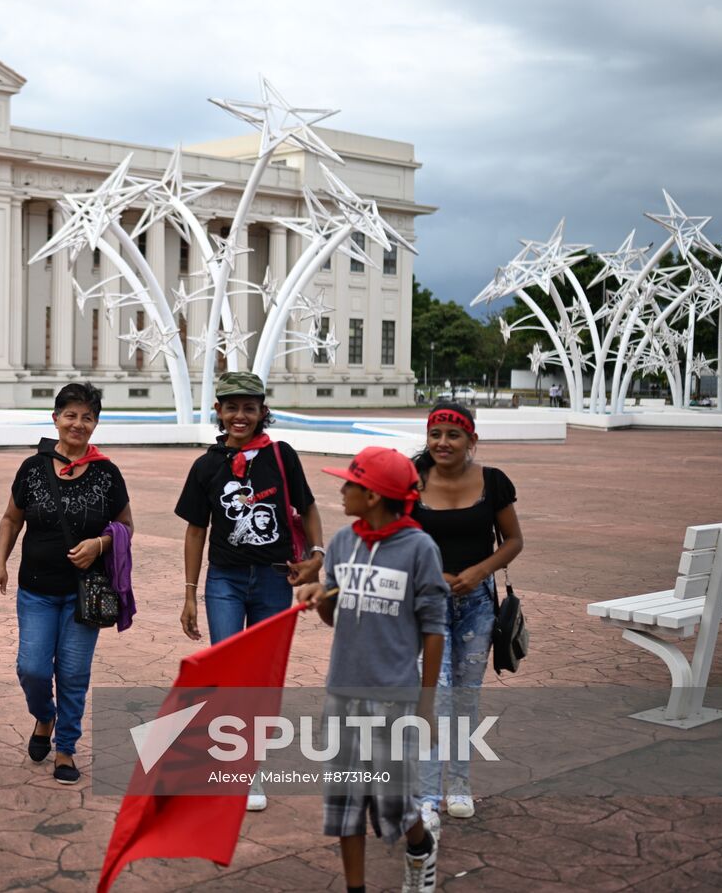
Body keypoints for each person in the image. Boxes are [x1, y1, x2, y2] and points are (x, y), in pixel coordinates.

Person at [293, 446, 449, 893]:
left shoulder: (419, 549)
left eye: (350, 484)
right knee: (345, 805)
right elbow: (333, 613)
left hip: (395, 696)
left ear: (375, 496)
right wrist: (318, 598)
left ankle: (420, 847)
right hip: (343, 692)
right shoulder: (343, 542)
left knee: (395, 804)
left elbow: (434, 628)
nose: (342, 490)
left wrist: (426, 702)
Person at [175, 370, 325, 812]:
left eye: (249, 407)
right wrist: (189, 593)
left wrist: (317, 553)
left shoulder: (281, 455)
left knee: (259, 674)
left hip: (275, 581)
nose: (240, 416)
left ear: (263, 411)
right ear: (219, 411)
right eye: (232, 407)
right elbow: (195, 531)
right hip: (224, 580)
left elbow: (308, 506)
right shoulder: (206, 466)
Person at [0, 383, 134, 785]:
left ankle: (66, 746)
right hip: (35, 589)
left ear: (96, 423)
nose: (78, 424)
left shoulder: (107, 473)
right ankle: (44, 715)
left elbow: (125, 527)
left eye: (87, 417)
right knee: (32, 668)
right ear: (55, 419)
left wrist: (100, 543)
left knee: (73, 673)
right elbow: (11, 519)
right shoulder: (34, 468)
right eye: (70, 415)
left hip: (84, 594)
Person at [411, 403, 523, 830]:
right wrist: (430, 573)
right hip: (426, 605)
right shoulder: (410, 481)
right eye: (435, 433)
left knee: (464, 698)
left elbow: (513, 540)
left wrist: (481, 570)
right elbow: (395, 538)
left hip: (477, 605)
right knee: (433, 698)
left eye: (453, 435)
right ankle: (426, 794)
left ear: (471, 440)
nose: (443, 442)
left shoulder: (492, 482)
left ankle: (459, 783)